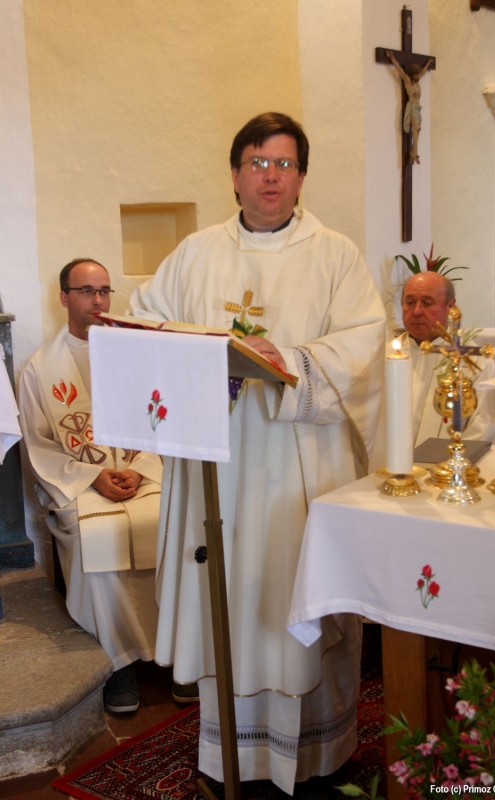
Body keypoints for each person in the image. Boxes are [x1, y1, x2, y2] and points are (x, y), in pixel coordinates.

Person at [129, 112, 386, 794]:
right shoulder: (194, 253)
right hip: (216, 463)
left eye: (283, 164)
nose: (270, 177)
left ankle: (317, 757)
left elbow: (363, 344)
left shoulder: (335, 254)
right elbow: (146, 321)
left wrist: (289, 361)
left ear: (301, 177)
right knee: (231, 603)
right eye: (257, 163)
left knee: (293, 598)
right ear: (235, 175)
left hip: (298, 463)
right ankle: (232, 757)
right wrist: (201, 355)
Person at [18, 259, 166, 714]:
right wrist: (92, 476)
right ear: (64, 297)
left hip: (141, 476)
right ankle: (118, 662)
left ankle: (178, 653)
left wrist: (140, 468)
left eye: (104, 291)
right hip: (80, 484)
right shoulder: (40, 368)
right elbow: (39, 445)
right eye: (86, 291)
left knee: (173, 527)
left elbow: (163, 422)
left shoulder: (135, 357)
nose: (97, 300)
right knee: (93, 536)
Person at [370, 271, 495, 471]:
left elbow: (484, 430)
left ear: (451, 306)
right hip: (386, 472)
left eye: (427, 303)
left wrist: (451, 472)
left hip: (447, 477)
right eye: (410, 302)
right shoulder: (383, 356)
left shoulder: (476, 362)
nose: (417, 311)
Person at [386, 50, 434, 165]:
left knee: (418, 129)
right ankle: (414, 152)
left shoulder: (417, 79)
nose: (419, 76)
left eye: (418, 74)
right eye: (416, 74)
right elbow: (399, 69)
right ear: (412, 74)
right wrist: (392, 58)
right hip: (412, 106)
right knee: (416, 127)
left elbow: (423, 72)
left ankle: (414, 151)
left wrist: (428, 63)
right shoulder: (408, 81)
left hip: (417, 108)